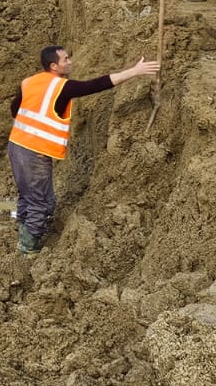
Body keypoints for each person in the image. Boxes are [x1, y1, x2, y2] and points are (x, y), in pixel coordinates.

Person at [9, 47, 159, 255]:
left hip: (16, 145)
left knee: (28, 194)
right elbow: (97, 85)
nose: (70, 62)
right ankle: (27, 248)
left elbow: (15, 110)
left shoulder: (29, 82)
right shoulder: (62, 87)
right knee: (42, 202)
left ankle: (24, 231)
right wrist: (134, 71)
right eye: (66, 59)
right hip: (35, 152)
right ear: (54, 66)